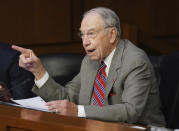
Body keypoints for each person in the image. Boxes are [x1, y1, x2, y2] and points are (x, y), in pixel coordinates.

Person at [12, 7, 166, 126]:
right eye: (82, 35)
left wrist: (78, 111)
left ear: (112, 35)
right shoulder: (90, 61)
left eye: (91, 34)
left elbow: (131, 111)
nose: (85, 42)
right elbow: (67, 99)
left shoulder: (135, 61)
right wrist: (38, 71)